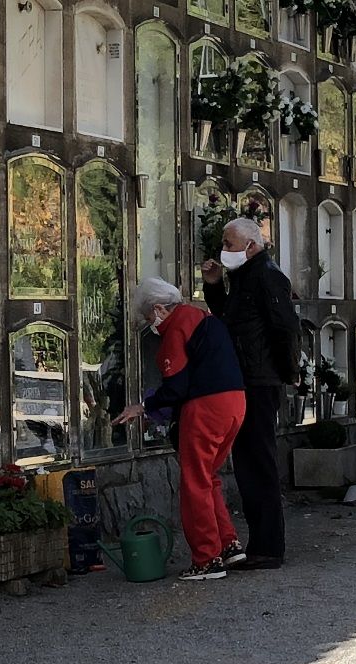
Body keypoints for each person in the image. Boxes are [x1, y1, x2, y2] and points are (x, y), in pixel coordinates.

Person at [114, 278, 247, 581]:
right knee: (209, 477)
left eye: (150, 318)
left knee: (194, 482)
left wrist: (144, 407)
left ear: (160, 308)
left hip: (206, 408)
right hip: (235, 403)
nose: (152, 324)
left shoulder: (177, 326)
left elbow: (176, 386)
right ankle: (228, 544)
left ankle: (206, 559)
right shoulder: (203, 317)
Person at [201, 218, 300, 570]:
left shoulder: (266, 275)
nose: (224, 251)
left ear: (251, 246)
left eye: (229, 244)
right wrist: (213, 286)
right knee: (247, 462)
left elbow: (286, 328)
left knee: (258, 461)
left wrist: (286, 374)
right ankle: (262, 543)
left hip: (259, 381)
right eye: (224, 244)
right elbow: (229, 320)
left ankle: (269, 547)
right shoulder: (244, 275)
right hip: (247, 378)